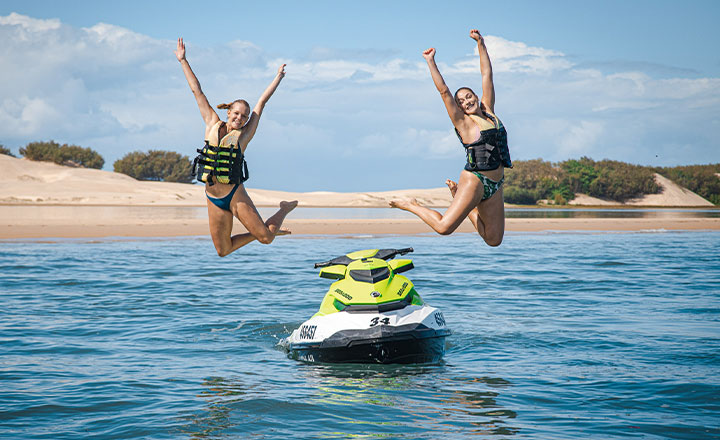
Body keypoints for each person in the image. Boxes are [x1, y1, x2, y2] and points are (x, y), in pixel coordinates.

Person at [175, 38, 297, 257]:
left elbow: (262, 102)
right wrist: (183, 60)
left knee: (266, 238)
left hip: (234, 195)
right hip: (212, 197)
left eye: (244, 116)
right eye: (237, 113)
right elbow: (197, 91)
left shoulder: (244, 136)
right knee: (223, 250)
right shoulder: (212, 122)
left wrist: (278, 77)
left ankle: (284, 209)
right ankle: (262, 231)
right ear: (228, 112)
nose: (240, 118)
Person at [390, 29, 511, 246]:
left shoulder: (490, 113)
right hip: (475, 180)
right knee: (443, 228)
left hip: (496, 182)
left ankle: (461, 199)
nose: (466, 102)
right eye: (461, 101)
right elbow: (444, 92)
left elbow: (487, 75)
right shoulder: (464, 123)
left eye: (469, 96)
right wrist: (430, 61)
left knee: (493, 240)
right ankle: (411, 205)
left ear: (476, 96)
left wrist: (480, 44)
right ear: (460, 108)